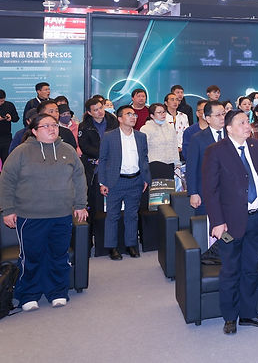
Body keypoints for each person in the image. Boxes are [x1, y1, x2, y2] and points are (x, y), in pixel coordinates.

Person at [0, 113, 88, 310]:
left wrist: (81, 204)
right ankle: (29, 294)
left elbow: (79, 178)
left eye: (54, 125)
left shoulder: (67, 150)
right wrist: (8, 209)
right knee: (31, 256)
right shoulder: (21, 152)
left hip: (62, 214)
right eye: (46, 126)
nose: (52, 129)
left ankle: (57, 291)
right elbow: (6, 181)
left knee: (59, 255)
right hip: (30, 216)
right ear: (34, 131)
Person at [201, 109, 258, 335]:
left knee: (251, 268)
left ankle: (248, 313)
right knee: (231, 269)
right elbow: (210, 190)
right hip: (228, 225)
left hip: (257, 218)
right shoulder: (216, 151)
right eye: (242, 122)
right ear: (229, 128)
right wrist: (217, 221)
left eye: (247, 121)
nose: (247, 125)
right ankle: (230, 317)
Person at [99, 105, 150, 260]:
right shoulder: (109, 136)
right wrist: (102, 182)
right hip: (115, 181)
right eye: (129, 114)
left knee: (131, 215)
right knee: (113, 215)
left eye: (134, 114)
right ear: (120, 118)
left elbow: (144, 158)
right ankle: (112, 247)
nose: (133, 117)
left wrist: (145, 178)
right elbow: (103, 160)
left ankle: (131, 245)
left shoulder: (141, 137)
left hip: (135, 181)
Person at [185, 101, 226, 216]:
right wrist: (193, 193)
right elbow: (191, 167)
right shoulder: (197, 139)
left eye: (223, 114)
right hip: (205, 192)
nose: (222, 118)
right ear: (208, 118)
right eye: (218, 115)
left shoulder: (232, 135)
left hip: (230, 193)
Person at [78, 97, 119, 209]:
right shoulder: (84, 126)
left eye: (101, 108)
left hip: (112, 164)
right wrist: (101, 156)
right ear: (90, 113)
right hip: (94, 165)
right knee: (96, 202)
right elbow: (85, 147)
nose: (100, 111)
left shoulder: (113, 121)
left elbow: (118, 142)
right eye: (95, 110)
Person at [141, 102, 180, 180]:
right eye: (159, 112)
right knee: (156, 191)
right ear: (152, 115)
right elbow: (143, 149)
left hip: (169, 164)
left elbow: (174, 146)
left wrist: (177, 162)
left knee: (169, 190)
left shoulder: (170, 127)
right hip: (153, 165)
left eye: (164, 112)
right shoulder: (145, 129)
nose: (163, 114)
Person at [0, 88, 18, 162]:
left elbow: (16, 118)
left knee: (7, 159)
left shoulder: (9, 105)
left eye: (2, 101)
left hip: (6, 137)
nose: (1, 103)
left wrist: (11, 117)